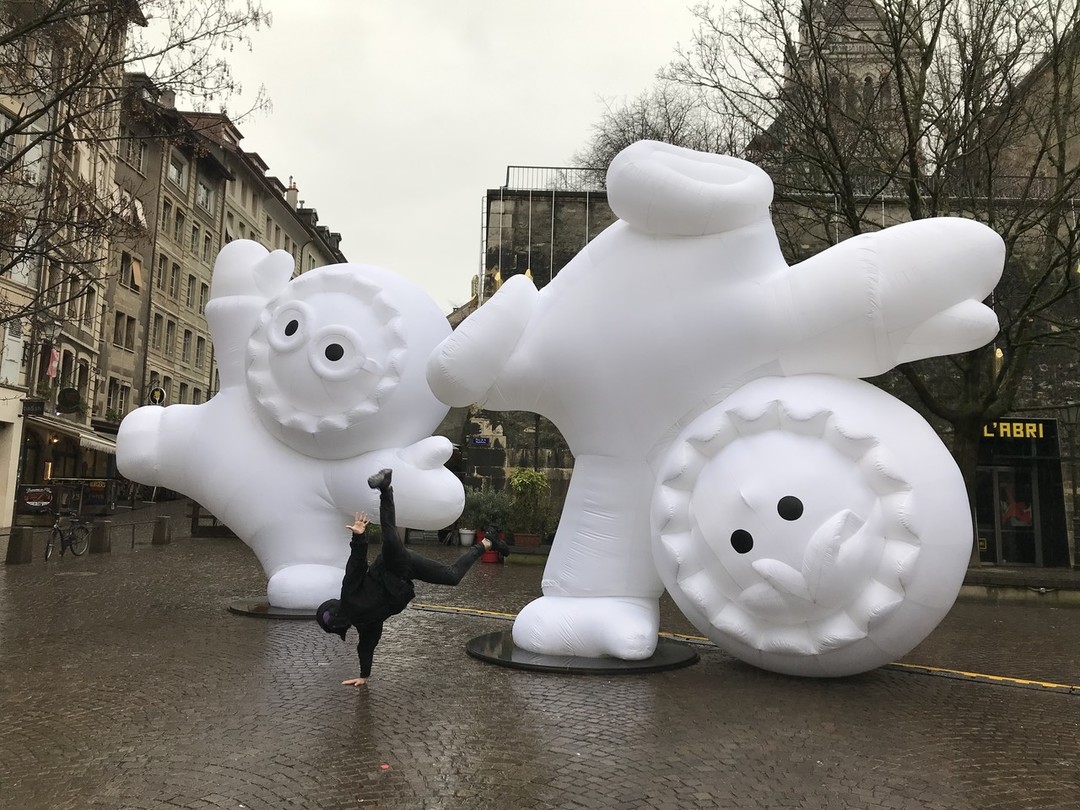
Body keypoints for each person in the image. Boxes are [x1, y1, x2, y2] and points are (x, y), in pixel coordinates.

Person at [316, 468, 509, 687]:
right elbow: (366, 647)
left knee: (390, 538)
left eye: (332, 620)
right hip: (404, 577)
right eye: (333, 624)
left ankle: (385, 488)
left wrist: (359, 537)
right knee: (452, 577)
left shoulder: (349, 595)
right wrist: (364, 676)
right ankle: (487, 543)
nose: (337, 622)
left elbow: (356, 565)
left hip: (391, 564)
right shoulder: (366, 624)